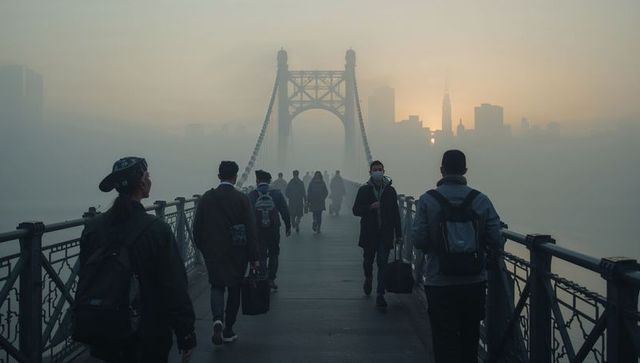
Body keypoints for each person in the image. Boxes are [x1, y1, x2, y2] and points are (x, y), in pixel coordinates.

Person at [76, 157, 196, 363]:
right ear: (141, 184)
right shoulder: (157, 230)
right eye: (147, 176)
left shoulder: (93, 228)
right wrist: (185, 333)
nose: (150, 180)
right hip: (148, 332)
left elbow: (85, 275)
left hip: (104, 327)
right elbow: (174, 286)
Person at [411, 150, 503, 363]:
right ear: (465, 171)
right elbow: (496, 238)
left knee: (443, 336)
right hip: (474, 280)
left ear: (442, 170)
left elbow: (417, 239)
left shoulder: (427, 200)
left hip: (438, 279)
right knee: (470, 334)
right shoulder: (481, 200)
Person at [193, 161, 260, 348]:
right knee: (234, 288)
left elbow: (196, 228)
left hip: (214, 252)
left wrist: (204, 248)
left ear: (219, 176)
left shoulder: (207, 198)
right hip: (238, 252)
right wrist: (254, 258)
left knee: (217, 286)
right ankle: (228, 329)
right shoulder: (242, 199)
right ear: (236, 176)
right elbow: (251, 230)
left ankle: (217, 320)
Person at [352, 160, 402, 308]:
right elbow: (355, 210)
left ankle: (380, 294)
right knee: (368, 261)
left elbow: (395, 214)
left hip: (385, 234)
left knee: (382, 263)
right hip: (369, 233)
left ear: (384, 171)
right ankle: (368, 278)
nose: (378, 172)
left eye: (380, 169)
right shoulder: (364, 190)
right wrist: (369, 207)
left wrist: (398, 234)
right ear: (370, 172)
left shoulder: (390, 191)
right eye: (375, 170)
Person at [248, 170, 291, 290]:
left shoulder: (252, 195)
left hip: (258, 230)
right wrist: (288, 226)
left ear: (257, 181)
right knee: (274, 253)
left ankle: (263, 276)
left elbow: (247, 215)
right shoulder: (276, 194)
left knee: (261, 254)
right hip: (273, 229)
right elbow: (285, 211)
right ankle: (271, 279)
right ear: (270, 181)